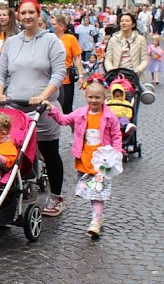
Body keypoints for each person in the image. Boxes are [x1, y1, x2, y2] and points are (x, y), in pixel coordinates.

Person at [0, 0, 66, 217]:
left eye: (31, 13)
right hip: (15, 108)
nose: (27, 17)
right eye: (23, 13)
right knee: (12, 154)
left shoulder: (52, 41)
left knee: (49, 153)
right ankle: (12, 194)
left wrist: (43, 97)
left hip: (42, 109)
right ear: (18, 15)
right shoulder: (12, 42)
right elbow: (1, 71)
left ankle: (56, 197)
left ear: (38, 14)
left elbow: (59, 73)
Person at [46, 79, 122, 238]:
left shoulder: (109, 116)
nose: (94, 101)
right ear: (86, 97)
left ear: (104, 98)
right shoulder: (80, 113)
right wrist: (52, 110)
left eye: (97, 98)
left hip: (103, 162)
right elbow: (64, 120)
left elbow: (116, 135)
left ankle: (95, 220)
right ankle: (98, 216)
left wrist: (117, 153)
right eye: (91, 97)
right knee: (91, 191)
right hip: (85, 160)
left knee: (98, 192)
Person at [52, 14, 84, 114]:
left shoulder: (70, 38)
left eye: (54, 24)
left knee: (67, 110)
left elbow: (77, 58)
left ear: (61, 26)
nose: (51, 26)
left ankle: (75, 129)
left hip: (66, 79)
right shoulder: (49, 38)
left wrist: (81, 76)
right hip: (51, 79)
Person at [103, 12, 149, 77]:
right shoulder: (113, 39)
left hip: (135, 76)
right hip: (116, 76)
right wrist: (111, 69)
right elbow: (108, 59)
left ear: (133, 24)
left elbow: (145, 59)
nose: (124, 23)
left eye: (127, 21)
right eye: (122, 21)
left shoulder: (140, 39)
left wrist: (138, 69)